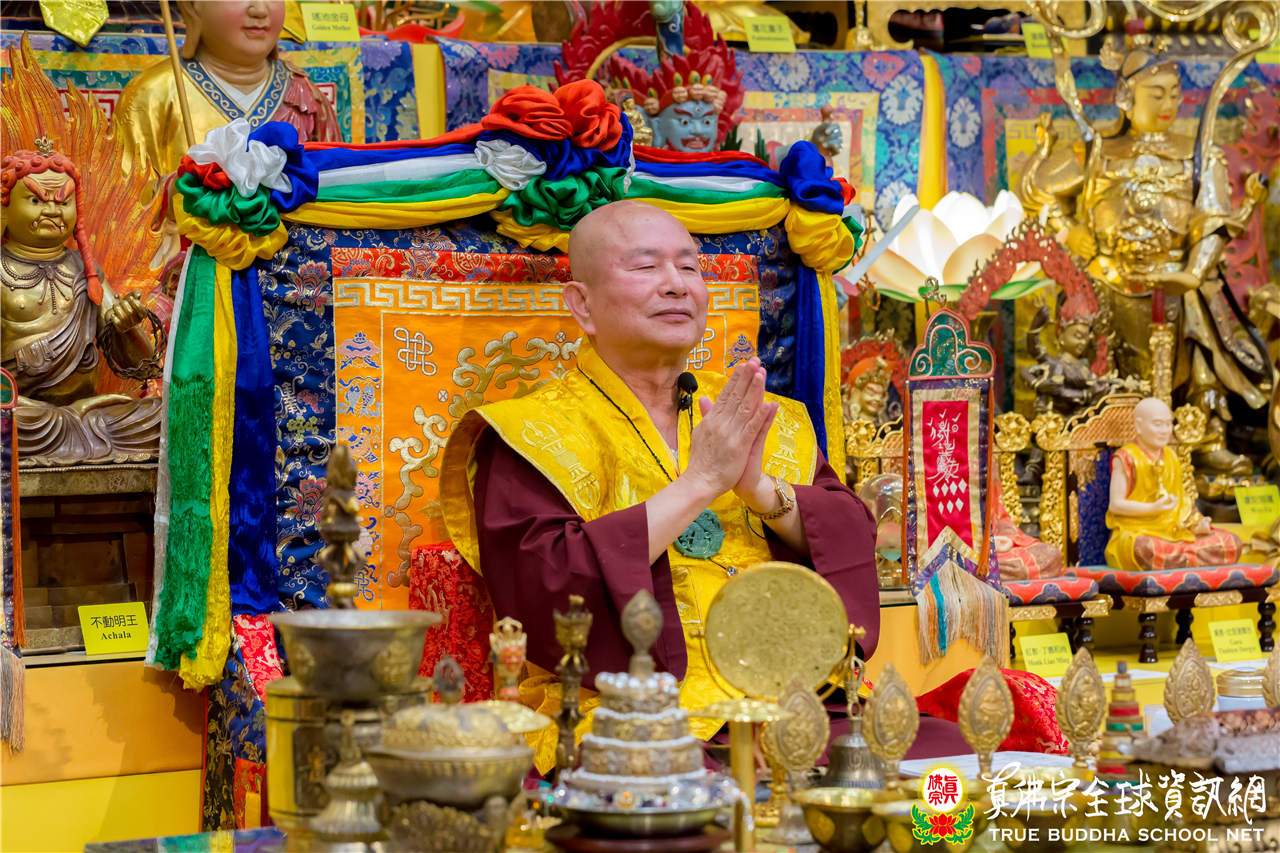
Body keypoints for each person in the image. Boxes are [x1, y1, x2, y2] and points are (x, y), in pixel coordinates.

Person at [440, 200, 964, 772]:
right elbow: (545, 589)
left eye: (689, 267)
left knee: (951, 758)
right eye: (646, 267)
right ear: (582, 305)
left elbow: (851, 538)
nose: (676, 285)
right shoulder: (528, 434)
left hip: (791, 702)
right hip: (628, 713)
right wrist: (700, 484)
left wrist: (760, 490)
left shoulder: (759, 413)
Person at [1, 143, 162, 466]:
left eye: (63, 202)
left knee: (161, 415)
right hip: (23, 411)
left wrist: (127, 328)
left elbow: (145, 369)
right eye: (36, 201)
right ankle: (72, 424)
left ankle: (75, 424)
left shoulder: (86, 271)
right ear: (4, 208)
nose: (52, 211)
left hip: (88, 415)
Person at [115, 0, 340, 180]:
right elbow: (126, 204)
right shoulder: (153, 94)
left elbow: (336, 186)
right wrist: (177, 195)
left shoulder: (303, 95)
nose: (260, 10)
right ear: (193, 7)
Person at [1105, 397, 1243, 571]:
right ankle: (1185, 557)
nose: (1164, 431)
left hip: (1175, 531)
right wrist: (1152, 508)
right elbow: (1116, 505)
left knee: (1231, 542)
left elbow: (1182, 503)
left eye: (1168, 424)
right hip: (1138, 531)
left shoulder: (1171, 456)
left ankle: (1181, 557)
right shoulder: (1126, 458)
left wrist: (1197, 523)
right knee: (1144, 549)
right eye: (1157, 424)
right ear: (1139, 426)